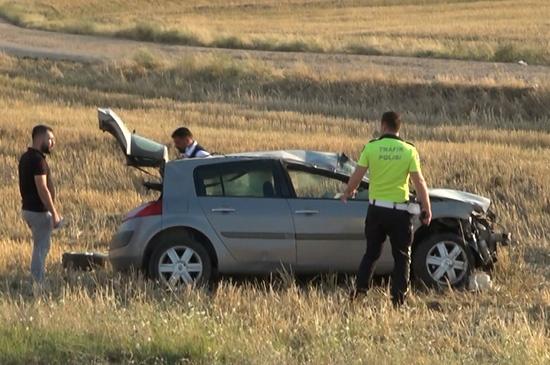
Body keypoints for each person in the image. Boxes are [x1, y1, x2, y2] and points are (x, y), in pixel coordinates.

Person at [342, 111, 431, 307]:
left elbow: (357, 175)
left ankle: (359, 294)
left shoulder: (372, 147)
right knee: (401, 257)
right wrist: (426, 207)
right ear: (399, 128)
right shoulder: (409, 150)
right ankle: (399, 300)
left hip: (376, 211)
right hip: (399, 212)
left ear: (383, 125)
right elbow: (419, 181)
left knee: (371, 253)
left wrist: (348, 192)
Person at [18, 125, 62, 283]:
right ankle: (38, 281)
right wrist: (54, 213)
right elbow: (42, 188)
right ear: (39, 138)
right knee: (41, 247)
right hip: (38, 211)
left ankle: (38, 278)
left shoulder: (25, 157)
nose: (52, 143)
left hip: (28, 209)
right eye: (50, 139)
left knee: (41, 245)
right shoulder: (38, 161)